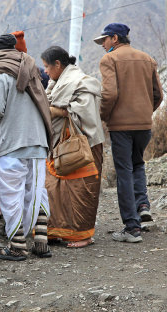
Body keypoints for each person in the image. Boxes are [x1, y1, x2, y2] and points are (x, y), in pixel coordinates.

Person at [0, 33, 53, 261]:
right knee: (36, 191)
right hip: (38, 141)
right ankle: (41, 241)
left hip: (12, 143)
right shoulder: (33, 70)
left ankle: (17, 245)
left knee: (10, 195)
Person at [94, 23, 163, 243]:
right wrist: (144, 113)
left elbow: (110, 93)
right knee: (138, 164)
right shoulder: (147, 58)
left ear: (115, 38)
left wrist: (104, 116)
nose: (102, 45)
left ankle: (132, 228)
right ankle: (143, 206)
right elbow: (158, 95)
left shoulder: (109, 59)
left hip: (121, 126)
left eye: (104, 40)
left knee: (123, 171)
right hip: (144, 125)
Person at [41, 46, 105, 248]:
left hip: (83, 144)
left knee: (80, 190)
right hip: (58, 144)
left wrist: (57, 112)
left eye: (47, 67)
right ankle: (54, 230)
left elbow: (85, 114)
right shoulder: (56, 84)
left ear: (58, 64)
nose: (45, 72)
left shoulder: (80, 82)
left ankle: (82, 235)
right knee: (53, 188)